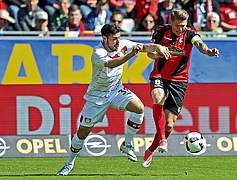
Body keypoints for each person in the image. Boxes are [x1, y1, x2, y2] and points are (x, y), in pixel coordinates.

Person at [56, 23, 170, 176]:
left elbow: (144, 47)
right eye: (114, 39)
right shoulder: (98, 52)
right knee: (83, 132)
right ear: (104, 38)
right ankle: (69, 163)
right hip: (97, 96)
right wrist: (130, 55)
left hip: (116, 90)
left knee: (139, 109)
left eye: (118, 38)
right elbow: (111, 64)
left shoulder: (122, 44)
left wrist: (158, 47)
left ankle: (127, 144)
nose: (117, 42)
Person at [141, 8, 219, 168]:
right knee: (157, 97)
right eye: (178, 26)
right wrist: (159, 54)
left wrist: (208, 52)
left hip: (179, 80)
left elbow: (200, 44)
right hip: (160, 76)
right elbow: (150, 54)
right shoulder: (161, 31)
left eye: (183, 25)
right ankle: (163, 139)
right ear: (171, 22)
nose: (181, 29)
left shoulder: (190, 33)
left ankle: (150, 150)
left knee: (170, 123)